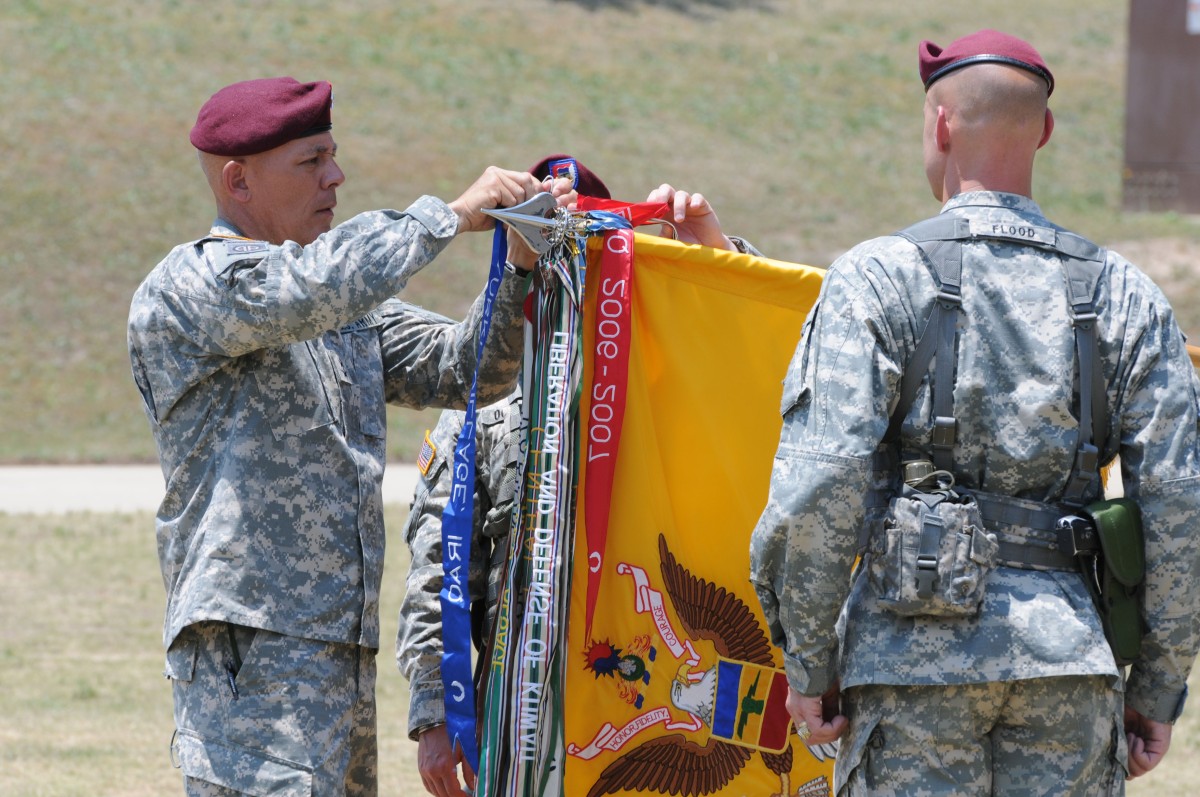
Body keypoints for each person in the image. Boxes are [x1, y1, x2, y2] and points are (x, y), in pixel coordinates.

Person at [749, 29, 1200, 795]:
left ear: (941, 124)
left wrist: (810, 661)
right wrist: (1157, 685)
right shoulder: (1126, 295)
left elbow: (818, 487)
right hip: (1071, 664)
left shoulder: (877, 278)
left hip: (909, 670)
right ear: (1046, 132)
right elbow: (1179, 504)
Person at [126, 76, 571, 796]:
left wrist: (519, 263)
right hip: (255, 661)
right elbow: (311, 288)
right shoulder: (194, 285)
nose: (336, 176)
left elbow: (470, 370)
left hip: (338, 663)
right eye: (310, 161)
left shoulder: (337, 303)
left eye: (334, 155)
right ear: (238, 180)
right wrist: (449, 216)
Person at [395, 161, 758, 797]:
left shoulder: (659, 384)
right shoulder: (482, 400)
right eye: (547, 243)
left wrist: (716, 257)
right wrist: (435, 713)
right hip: (521, 708)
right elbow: (440, 571)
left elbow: (759, 361)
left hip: (643, 696)